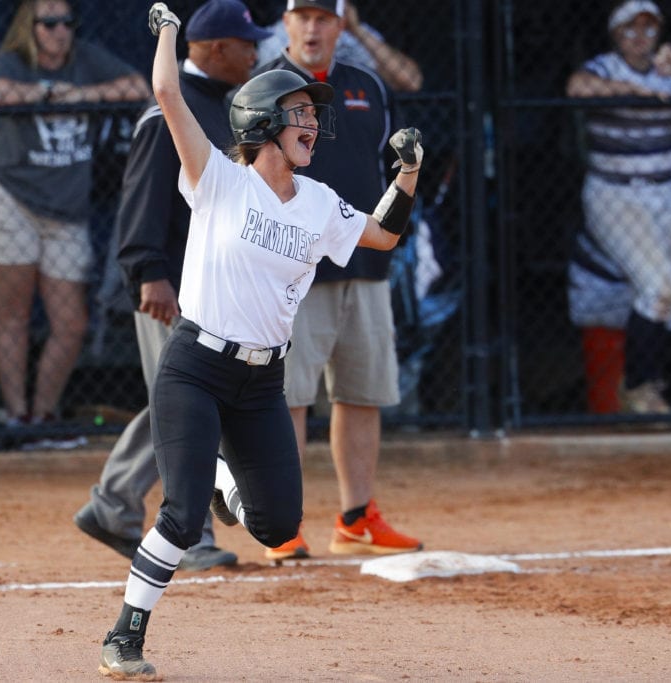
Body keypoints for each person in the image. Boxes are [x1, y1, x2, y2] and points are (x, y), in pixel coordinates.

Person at [97, 4, 422, 679]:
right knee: (183, 518)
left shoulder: (315, 200)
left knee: (277, 525)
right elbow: (165, 91)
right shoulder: (218, 179)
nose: (312, 124)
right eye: (300, 114)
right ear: (264, 125)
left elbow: (383, 234)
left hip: (261, 383)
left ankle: (221, 478)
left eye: (312, 114)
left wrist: (408, 175)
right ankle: (126, 632)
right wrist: (166, 30)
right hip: (196, 367)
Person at [72, 0, 273, 573]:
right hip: (173, 286)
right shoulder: (170, 110)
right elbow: (142, 201)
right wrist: (147, 272)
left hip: (210, 287)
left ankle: (113, 504)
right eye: (246, 43)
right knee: (192, 405)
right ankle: (192, 535)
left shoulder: (218, 105)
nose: (256, 53)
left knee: (180, 401)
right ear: (212, 49)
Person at [254, 0, 423, 560]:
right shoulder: (266, 87)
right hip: (296, 269)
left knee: (362, 392)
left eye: (324, 17)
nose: (312, 27)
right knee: (290, 398)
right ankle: (282, 524)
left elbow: (381, 167)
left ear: (341, 26)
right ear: (285, 24)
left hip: (366, 264)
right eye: (301, 16)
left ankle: (356, 517)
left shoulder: (366, 84)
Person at [0, 0, 149, 427]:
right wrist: (48, 92)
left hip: (66, 212)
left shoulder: (85, 58)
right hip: (8, 198)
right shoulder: (12, 61)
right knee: (14, 316)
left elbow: (138, 87)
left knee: (71, 324)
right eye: (48, 23)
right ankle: (16, 417)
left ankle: (43, 415)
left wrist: (80, 94)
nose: (59, 31)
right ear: (29, 27)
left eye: (67, 22)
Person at [565, 0, 671, 414]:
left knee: (660, 295)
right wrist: (640, 93)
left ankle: (651, 384)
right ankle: (637, 386)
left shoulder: (668, 70)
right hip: (617, 193)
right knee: (658, 288)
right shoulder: (605, 67)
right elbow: (577, 88)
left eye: (649, 30)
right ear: (616, 35)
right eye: (632, 30)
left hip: (666, 192)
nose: (641, 39)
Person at [568, 229, 671, 412]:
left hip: (651, 289)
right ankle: (639, 388)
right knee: (658, 300)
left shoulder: (670, 200)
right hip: (603, 297)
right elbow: (644, 277)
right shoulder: (611, 205)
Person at [256, 0, 424, 93]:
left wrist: (356, 29)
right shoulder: (274, 39)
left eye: (322, 19)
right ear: (288, 20)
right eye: (304, 18)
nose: (312, 29)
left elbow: (410, 81)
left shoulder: (353, 34)